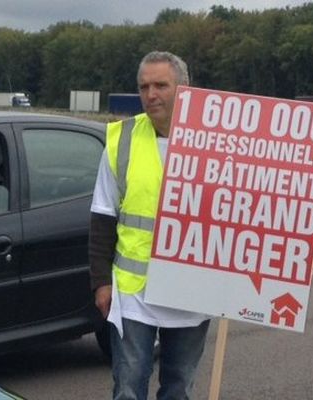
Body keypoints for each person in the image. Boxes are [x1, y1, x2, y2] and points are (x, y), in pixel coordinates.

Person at [89, 51, 211, 400]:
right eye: (144, 86)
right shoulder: (122, 139)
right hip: (133, 294)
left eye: (161, 85)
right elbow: (102, 217)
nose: (151, 94)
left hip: (192, 289)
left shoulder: (216, 143)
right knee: (128, 386)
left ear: (185, 89)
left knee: (178, 387)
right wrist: (100, 283)